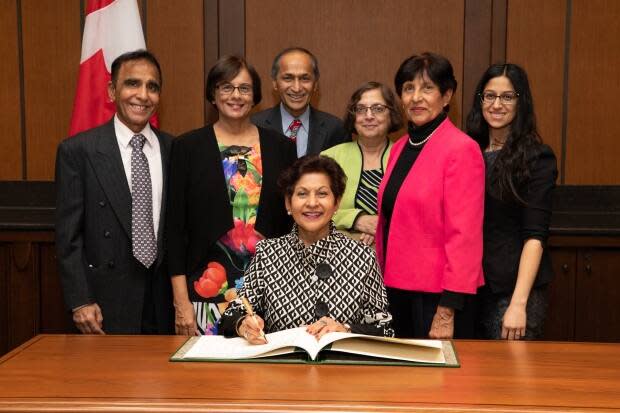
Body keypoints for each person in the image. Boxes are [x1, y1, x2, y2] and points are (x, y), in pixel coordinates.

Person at [167, 55, 296, 336]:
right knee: (208, 379)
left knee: (269, 375)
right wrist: (181, 302)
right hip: (207, 291)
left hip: (270, 293)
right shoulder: (187, 147)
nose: (235, 95)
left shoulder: (281, 147)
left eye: (244, 88)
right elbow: (174, 229)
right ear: (213, 94)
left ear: (255, 96)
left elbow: (290, 226)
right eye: (226, 87)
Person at [55, 50, 174, 334]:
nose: (143, 95)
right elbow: (68, 237)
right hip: (105, 305)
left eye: (152, 87)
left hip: (164, 303)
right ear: (112, 91)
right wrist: (80, 300)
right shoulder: (78, 151)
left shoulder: (174, 149)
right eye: (133, 83)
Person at [220, 155, 394, 343]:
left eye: (322, 194)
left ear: (336, 203)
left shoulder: (362, 256)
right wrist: (244, 324)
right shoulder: (268, 253)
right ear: (288, 202)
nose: (312, 203)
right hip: (283, 367)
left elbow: (384, 329)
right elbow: (234, 313)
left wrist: (346, 329)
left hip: (344, 368)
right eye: (302, 194)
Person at [376, 52, 485, 339]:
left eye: (427, 88)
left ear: (446, 96)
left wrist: (447, 308)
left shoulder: (461, 149)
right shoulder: (400, 147)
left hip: (439, 297)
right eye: (408, 88)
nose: (416, 97)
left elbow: (465, 236)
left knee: (441, 383)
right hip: (397, 289)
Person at [466, 63, 558, 340]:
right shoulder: (467, 151)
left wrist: (519, 304)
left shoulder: (537, 157)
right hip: (470, 288)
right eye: (489, 96)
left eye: (507, 97)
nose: (497, 104)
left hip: (513, 291)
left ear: (521, 102)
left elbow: (535, 236)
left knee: (510, 378)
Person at [321, 82, 403, 245]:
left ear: (391, 114)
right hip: (338, 255)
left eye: (378, 109)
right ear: (353, 116)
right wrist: (357, 219)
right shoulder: (329, 158)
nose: (369, 116)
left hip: (394, 252)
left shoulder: (406, 157)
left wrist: (381, 226)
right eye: (361, 109)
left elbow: (418, 213)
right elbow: (314, 209)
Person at [251, 47, 348, 157]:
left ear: (315, 84)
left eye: (305, 78)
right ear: (275, 83)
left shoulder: (335, 129)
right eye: (288, 78)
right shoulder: (254, 126)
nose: (297, 88)